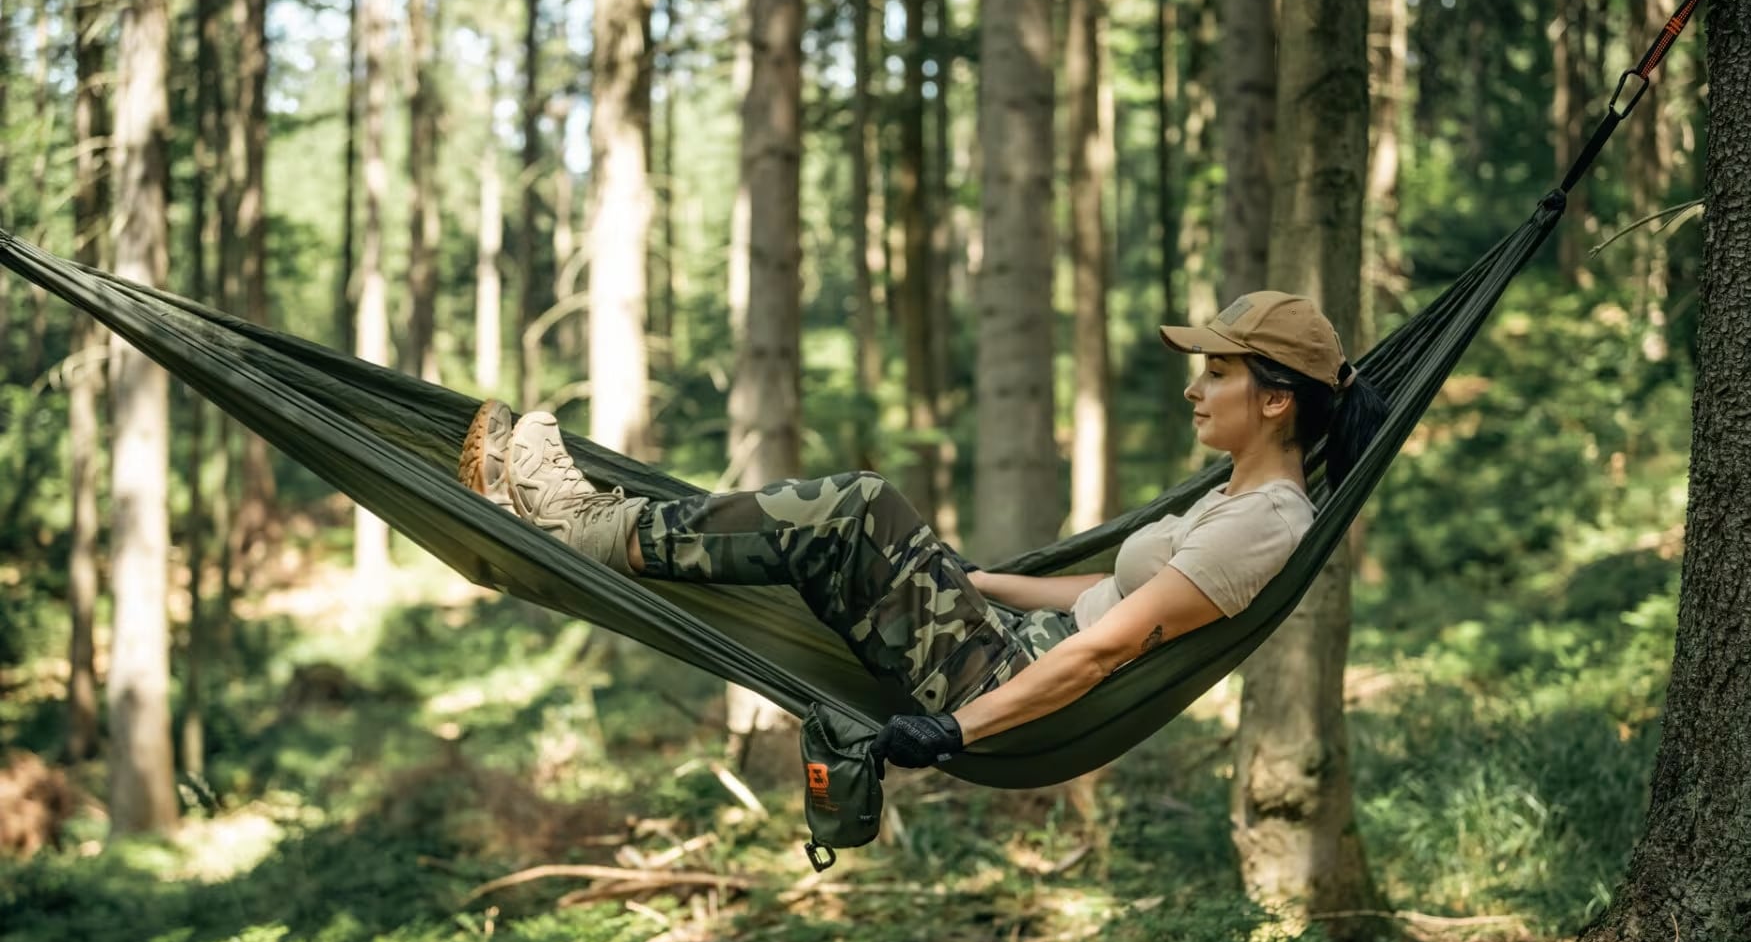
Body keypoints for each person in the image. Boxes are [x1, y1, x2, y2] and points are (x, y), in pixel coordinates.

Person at [458, 291, 1388, 773]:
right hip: (1003, 641)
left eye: (1215, 373)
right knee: (825, 529)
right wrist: (975, 580)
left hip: (1010, 684)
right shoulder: (1231, 497)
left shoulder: (1268, 520)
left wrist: (951, 730)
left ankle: (575, 523)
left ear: (1275, 398)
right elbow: (1107, 596)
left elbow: (1102, 652)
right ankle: (575, 519)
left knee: (857, 507)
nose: (1193, 388)